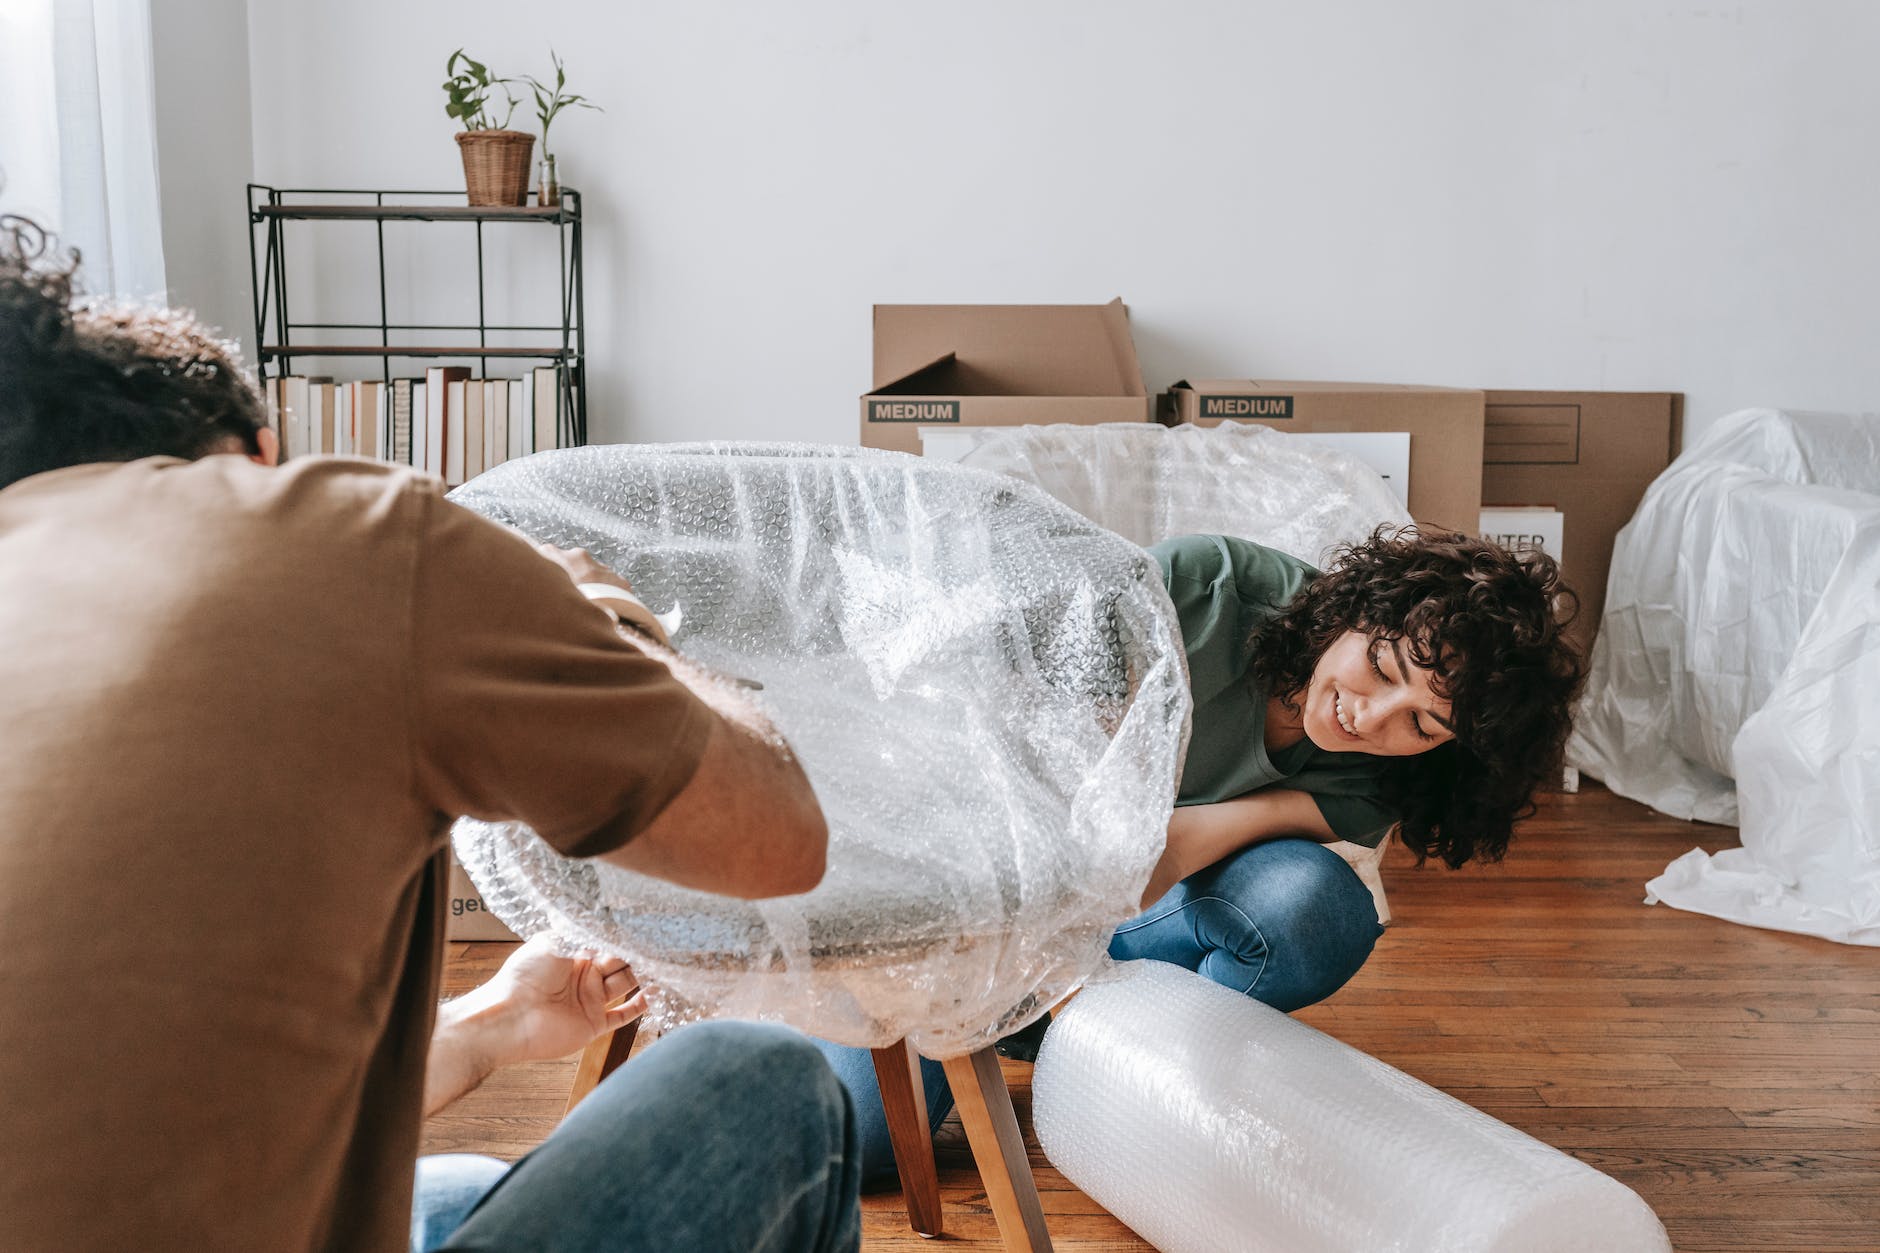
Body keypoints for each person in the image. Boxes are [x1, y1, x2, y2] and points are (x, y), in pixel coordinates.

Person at [0, 211, 860, 1252]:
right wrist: (606, 614)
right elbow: (777, 838)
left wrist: (491, 1026)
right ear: (257, 454)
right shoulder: (337, 533)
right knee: (757, 1082)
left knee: (447, 1187)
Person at [818, 528, 1585, 1189]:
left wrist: (1127, 875)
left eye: (1422, 722)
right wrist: (986, 944)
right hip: (994, 887)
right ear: (1362, 610)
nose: (1371, 718)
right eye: (1383, 671)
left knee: (1315, 908)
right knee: (858, 1146)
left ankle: (1100, 1063)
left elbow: (1180, 845)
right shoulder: (1202, 589)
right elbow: (1014, 761)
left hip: (1133, 922)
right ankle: (1002, 1024)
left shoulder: (1393, 772)